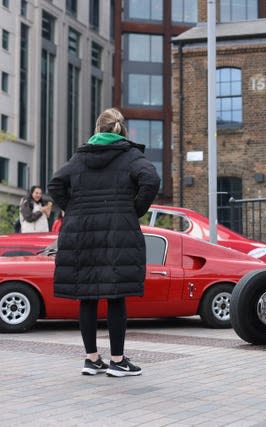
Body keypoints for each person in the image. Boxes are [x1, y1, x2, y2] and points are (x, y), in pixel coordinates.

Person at [48, 107, 160, 377]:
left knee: (87, 296)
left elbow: (55, 184)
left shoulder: (80, 157)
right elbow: (151, 179)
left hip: (81, 233)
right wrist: (133, 209)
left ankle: (91, 359)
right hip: (116, 233)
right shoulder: (130, 155)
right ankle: (118, 361)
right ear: (121, 129)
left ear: (98, 129)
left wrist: (73, 209)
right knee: (115, 296)